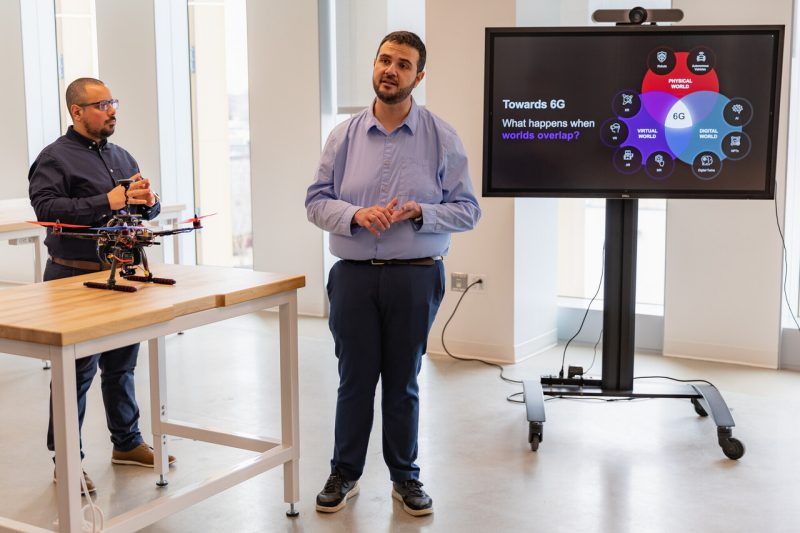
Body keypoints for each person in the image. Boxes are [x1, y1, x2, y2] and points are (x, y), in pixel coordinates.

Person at [306, 31, 481, 516]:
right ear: (374, 66)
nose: (391, 70)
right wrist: (355, 216)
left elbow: (469, 211)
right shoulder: (342, 136)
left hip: (416, 276)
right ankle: (345, 472)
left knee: (403, 380)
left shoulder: (442, 136)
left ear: (418, 77)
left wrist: (420, 212)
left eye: (403, 64)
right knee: (354, 380)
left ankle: (406, 478)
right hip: (354, 277)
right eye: (385, 60)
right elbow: (315, 202)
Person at [29, 77, 175, 494]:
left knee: (121, 366)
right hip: (72, 277)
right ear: (77, 112)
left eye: (113, 102)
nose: (112, 111)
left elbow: (146, 206)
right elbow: (46, 209)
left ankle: (127, 444)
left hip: (119, 273)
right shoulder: (54, 158)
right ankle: (67, 464)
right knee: (74, 372)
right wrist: (106, 202)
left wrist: (148, 201)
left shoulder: (122, 155)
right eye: (102, 104)